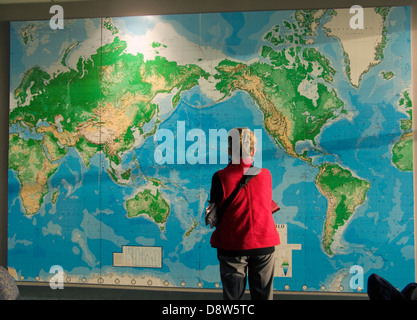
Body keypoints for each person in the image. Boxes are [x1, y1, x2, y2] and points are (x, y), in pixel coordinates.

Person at [209, 127, 280, 300]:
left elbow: (217, 208)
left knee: (233, 300)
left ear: (229, 151)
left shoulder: (220, 177)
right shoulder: (265, 175)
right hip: (264, 244)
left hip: (233, 246)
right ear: (254, 151)